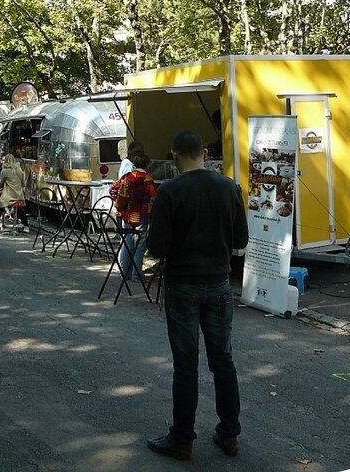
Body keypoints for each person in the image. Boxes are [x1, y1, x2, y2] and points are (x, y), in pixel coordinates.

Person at [146, 130, 249, 462]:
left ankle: (182, 439)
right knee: (224, 361)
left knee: (186, 366)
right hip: (219, 284)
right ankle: (230, 433)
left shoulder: (170, 191)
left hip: (182, 286)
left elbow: (156, 246)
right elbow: (241, 238)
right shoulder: (229, 187)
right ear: (204, 153)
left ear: (175, 156)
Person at [113, 152, 155, 282]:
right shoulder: (147, 180)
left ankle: (125, 273)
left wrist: (121, 202)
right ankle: (137, 274)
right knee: (140, 245)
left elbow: (113, 189)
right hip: (142, 215)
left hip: (127, 214)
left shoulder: (127, 177)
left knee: (127, 243)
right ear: (147, 165)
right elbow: (153, 195)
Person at [0, 153, 28, 233]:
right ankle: (25, 225)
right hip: (20, 197)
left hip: (9, 198)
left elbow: (0, 185)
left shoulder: (4, 171)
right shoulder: (20, 170)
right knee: (20, 208)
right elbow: (23, 184)